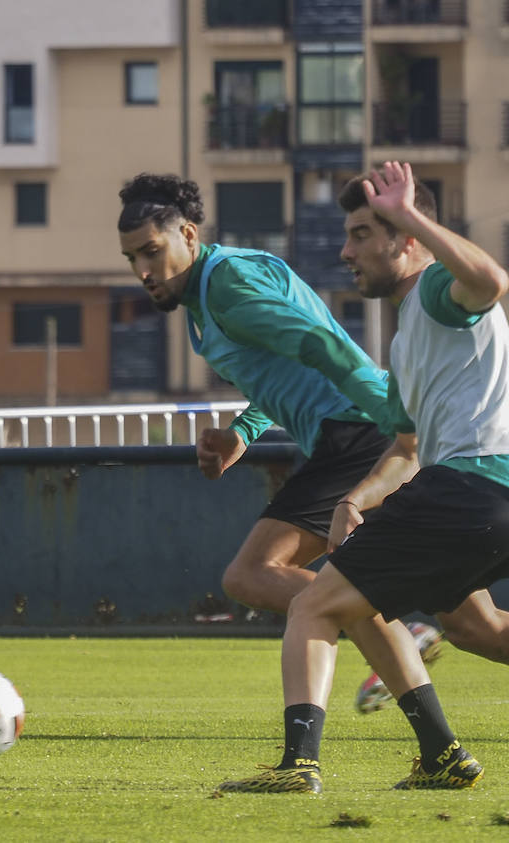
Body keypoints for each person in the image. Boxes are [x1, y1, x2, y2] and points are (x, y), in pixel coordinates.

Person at [218, 162, 509, 793]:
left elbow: (492, 279)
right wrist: (356, 498)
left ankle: (299, 766)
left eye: (359, 234)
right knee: (473, 626)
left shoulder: (436, 286)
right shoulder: (408, 337)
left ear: (404, 240)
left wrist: (413, 215)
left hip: (473, 490)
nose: (345, 251)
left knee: (312, 603)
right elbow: (408, 445)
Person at [117, 173, 443, 765]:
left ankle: (377, 626)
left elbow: (320, 343)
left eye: (152, 250)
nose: (143, 269)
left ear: (188, 235)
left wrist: (400, 425)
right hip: (349, 435)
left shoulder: (228, 285)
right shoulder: (215, 287)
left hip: (356, 434)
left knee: (254, 574)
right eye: (133, 257)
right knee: (483, 626)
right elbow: (284, 363)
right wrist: (242, 432)